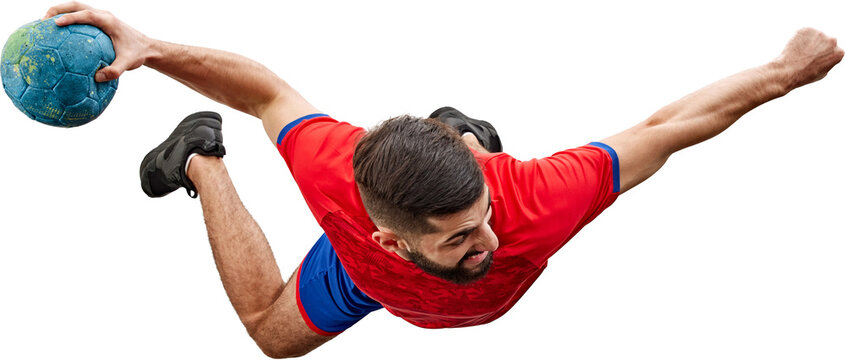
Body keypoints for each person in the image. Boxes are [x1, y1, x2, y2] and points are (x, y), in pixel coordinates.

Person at [43, 2, 843, 358]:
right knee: (271, 337)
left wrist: (782, 74)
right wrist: (160, 60)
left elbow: (668, 128)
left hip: (430, 215)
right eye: (461, 236)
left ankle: (460, 137)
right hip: (370, 278)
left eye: (481, 215)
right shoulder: (336, 181)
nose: (488, 241)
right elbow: (262, 94)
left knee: (486, 167)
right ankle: (195, 157)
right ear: (389, 232)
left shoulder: (535, 198)